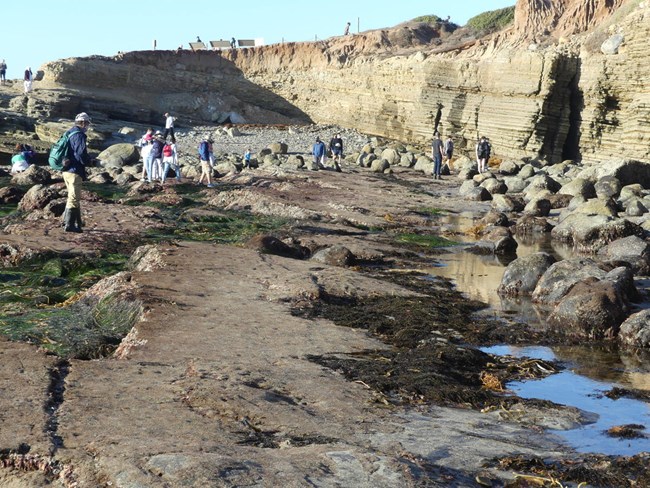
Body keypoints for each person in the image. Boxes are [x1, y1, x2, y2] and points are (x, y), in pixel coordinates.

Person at [62, 112, 92, 233]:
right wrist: (89, 162)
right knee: (74, 198)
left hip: (66, 170)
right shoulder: (79, 135)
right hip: (74, 171)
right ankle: (69, 225)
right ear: (84, 123)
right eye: (88, 123)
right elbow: (80, 154)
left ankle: (74, 223)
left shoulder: (69, 132)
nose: (88, 126)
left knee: (72, 197)